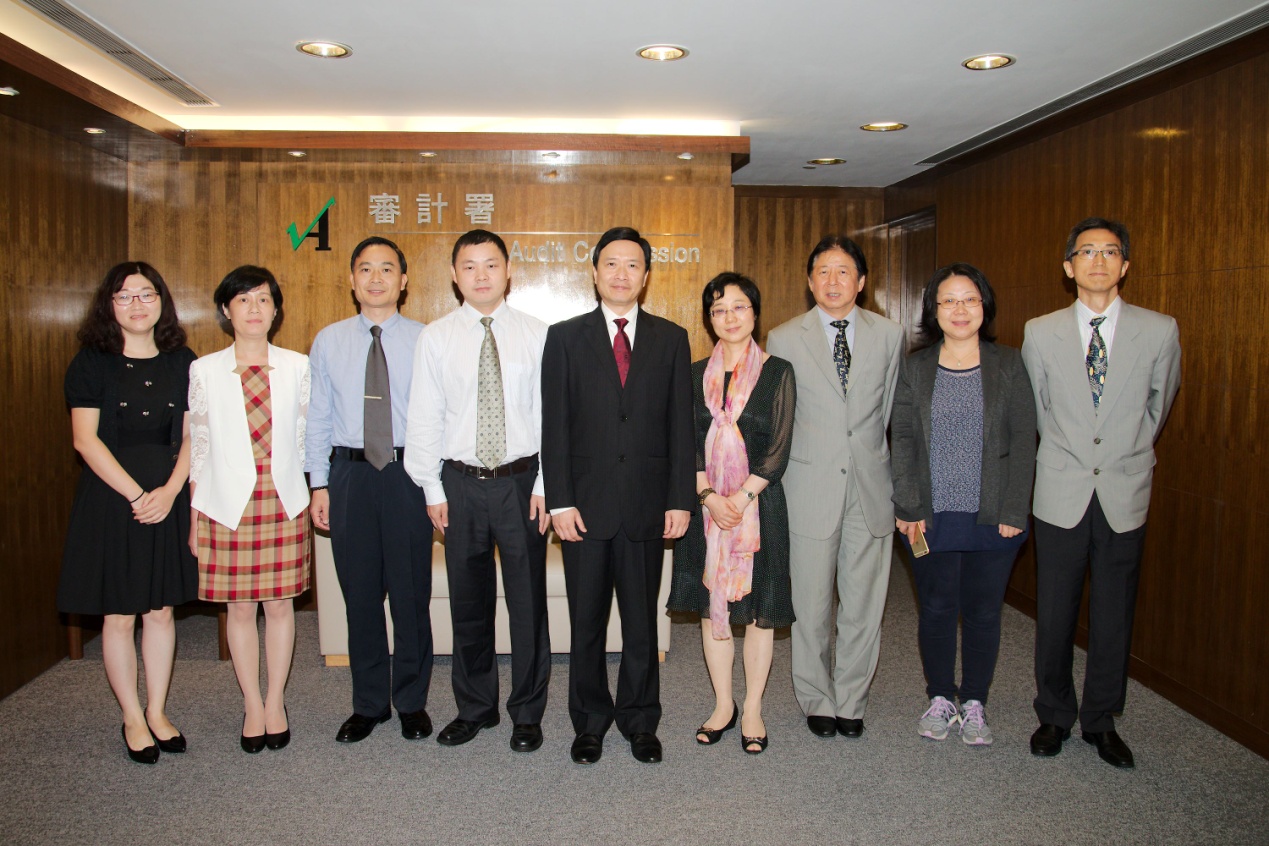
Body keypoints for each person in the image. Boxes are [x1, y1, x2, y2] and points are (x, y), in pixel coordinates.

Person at [1023, 218, 1181, 769]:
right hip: (1061, 487)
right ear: (1068, 267)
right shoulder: (1040, 331)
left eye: (1110, 252)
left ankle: (1101, 719)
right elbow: (1039, 410)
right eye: (1086, 252)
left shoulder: (1158, 330)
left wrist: (1123, 453)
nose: (1098, 261)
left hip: (1124, 488)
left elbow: (1156, 408)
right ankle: (1054, 713)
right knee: (1056, 608)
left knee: (1115, 611)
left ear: (1125, 265)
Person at [541, 226, 695, 765]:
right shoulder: (564, 337)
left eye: (632, 265)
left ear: (647, 276)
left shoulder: (672, 338)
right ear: (595, 271)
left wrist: (680, 499)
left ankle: (639, 719)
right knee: (585, 622)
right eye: (612, 263)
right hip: (583, 507)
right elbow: (554, 427)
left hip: (647, 508)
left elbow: (681, 429)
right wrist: (559, 501)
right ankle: (588, 722)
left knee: (639, 621)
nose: (622, 274)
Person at [405, 229, 551, 753]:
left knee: (528, 603)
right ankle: (476, 707)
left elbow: (550, 417)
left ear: (508, 271)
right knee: (468, 603)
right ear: (454, 275)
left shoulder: (538, 334)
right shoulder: (436, 338)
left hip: (521, 484)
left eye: (491, 264)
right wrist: (429, 487)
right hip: (459, 484)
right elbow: (423, 416)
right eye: (470, 266)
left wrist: (545, 483)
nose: (481, 275)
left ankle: (527, 712)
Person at [891, 263, 1036, 746]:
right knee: (935, 608)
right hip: (930, 518)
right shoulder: (914, 368)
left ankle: (975, 700)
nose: (959, 309)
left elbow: (1023, 442)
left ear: (984, 307)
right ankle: (940, 696)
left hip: (992, 516)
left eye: (969, 299)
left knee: (983, 612)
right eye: (948, 300)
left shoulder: (1009, 364)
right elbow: (904, 441)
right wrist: (909, 506)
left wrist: (1016, 511)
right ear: (934, 310)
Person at [58, 262, 197, 765]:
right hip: (112, 499)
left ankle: (157, 711)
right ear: (109, 305)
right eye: (124, 296)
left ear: (162, 300)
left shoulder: (183, 361)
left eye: (146, 294)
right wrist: (138, 496)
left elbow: (192, 436)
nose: (137, 304)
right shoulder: (92, 361)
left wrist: (170, 489)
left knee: (160, 611)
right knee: (118, 615)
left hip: (168, 493)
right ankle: (132, 717)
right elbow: (84, 440)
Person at [766, 235, 904, 740]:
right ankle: (816, 697)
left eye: (843, 271)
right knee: (810, 605)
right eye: (822, 271)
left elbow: (884, 412)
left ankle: (852, 699)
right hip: (809, 488)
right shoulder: (783, 338)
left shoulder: (890, 336)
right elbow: (781, 419)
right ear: (809, 281)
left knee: (865, 605)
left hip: (870, 487)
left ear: (861, 282)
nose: (832, 281)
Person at [307, 237, 434, 745]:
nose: (376, 278)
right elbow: (317, 418)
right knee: (359, 596)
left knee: (409, 596)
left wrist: (434, 484)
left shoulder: (427, 339)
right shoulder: (328, 340)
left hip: (408, 474)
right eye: (366, 269)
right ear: (352, 279)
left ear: (404, 281)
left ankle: (411, 702)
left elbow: (438, 418)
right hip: (350, 476)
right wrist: (319, 483)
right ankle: (368, 704)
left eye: (387, 269)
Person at [668, 272, 795, 754]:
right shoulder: (695, 372)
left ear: (755, 313)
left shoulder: (778, 372)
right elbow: (683, 442)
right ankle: (723, 704)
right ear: (709, 319)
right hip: (705, 511)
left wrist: (739, 500)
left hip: (760, 507)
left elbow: (778, 449)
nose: (729, 317)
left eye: (739, 307)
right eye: (719, 309)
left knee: (760, 614)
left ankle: (755, 707)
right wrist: (707, 497)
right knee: (711, 606)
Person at [188, 265, 311, 754]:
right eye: (243, 300)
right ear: (226, 310)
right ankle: (251, 704)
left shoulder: (298, 365)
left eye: (263, 299)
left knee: (280, 606)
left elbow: (307, 441)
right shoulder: (204, 369)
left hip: (281, 498)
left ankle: (275, 700)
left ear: (275, 309)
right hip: (227, 502)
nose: (254, 309)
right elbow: (198, 446)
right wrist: (196, 518)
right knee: (239, 608)